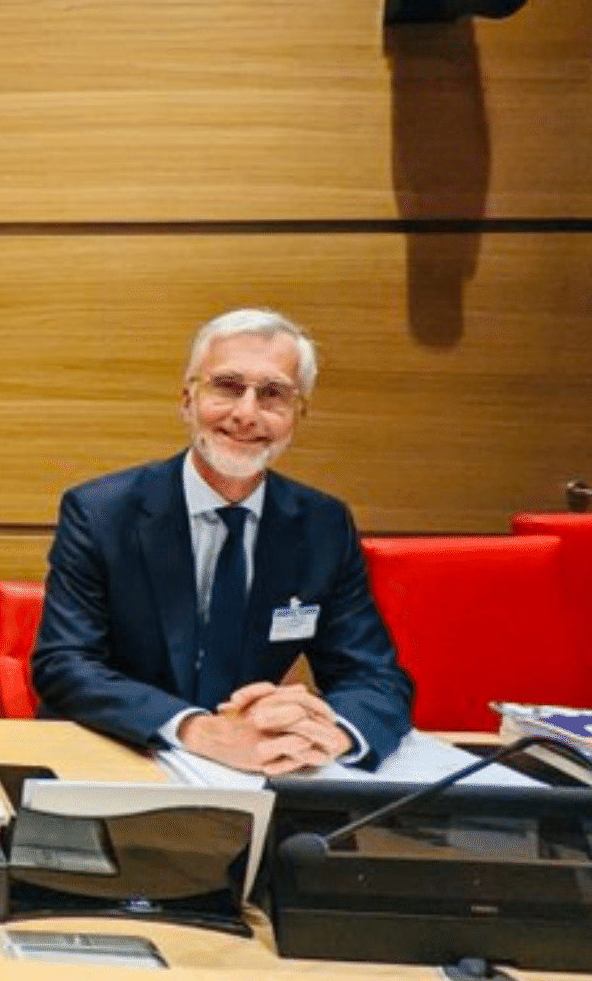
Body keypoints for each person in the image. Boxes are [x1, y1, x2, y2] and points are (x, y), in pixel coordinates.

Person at [31, 308, 412, 773]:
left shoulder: (323, 524)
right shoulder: (101, 512)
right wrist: (197, 730)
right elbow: (66, 664)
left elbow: (373, 675)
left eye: (273, 394)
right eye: (227, 387)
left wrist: (332, 734)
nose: (246, 413)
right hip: (119, 753)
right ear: (187, 400)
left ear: (297, 414)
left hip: (257, 770)